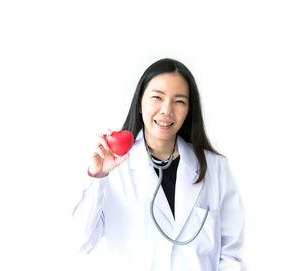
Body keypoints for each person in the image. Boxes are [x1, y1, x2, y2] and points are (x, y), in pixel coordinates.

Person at [72, 58, 245, 270]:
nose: (167, 110)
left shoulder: (215, 168)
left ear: (189, 109)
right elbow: (80, 242)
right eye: (157, 97)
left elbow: (231, 254)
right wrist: (98, 178)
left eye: (179, 101)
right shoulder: (112, 170)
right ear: (140, 104)